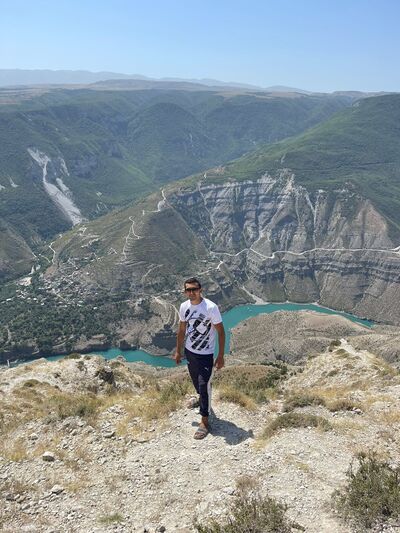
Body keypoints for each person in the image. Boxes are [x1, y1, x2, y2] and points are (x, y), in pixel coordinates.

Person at [174, 277, 225, 439]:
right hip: (190, 352)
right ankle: (202, 400)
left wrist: (220, 355)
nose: (191, 293)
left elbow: (221, 332)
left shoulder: (210, 308)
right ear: (185, 292)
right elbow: (182, 330)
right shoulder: (184, 306)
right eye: (188, 290)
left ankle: (204, 421)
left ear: (200, 290)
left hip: (206, 355)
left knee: (204, 385)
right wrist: (178, 351)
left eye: (194, 289)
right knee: (196, 382)